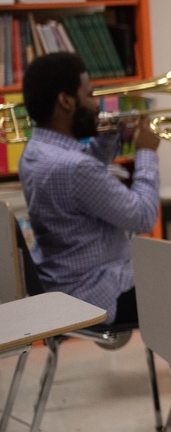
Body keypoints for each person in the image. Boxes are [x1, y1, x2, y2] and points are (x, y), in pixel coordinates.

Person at [19, 52, 160, 325]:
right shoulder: (75, 168)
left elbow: (79, 184)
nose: (97, 105)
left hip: (63, 283)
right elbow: (144, 217)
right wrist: (146, 153)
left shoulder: (35, 151)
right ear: (66, 101)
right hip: (97, 291)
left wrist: (108, 136)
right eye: (89, 94)